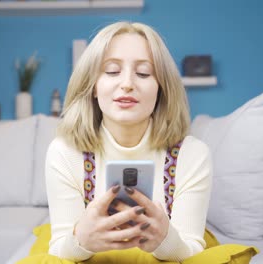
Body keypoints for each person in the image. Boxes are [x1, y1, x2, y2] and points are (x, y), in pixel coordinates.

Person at [45, 21, 212, 263]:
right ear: (93, 86)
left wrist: (166, 241)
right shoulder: (64, 152)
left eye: (143, 73)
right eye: (112, 71)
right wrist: (80, 240)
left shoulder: (192, 154)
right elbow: (59, 248)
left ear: (161, 89)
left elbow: (193, 248)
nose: (127, 84)